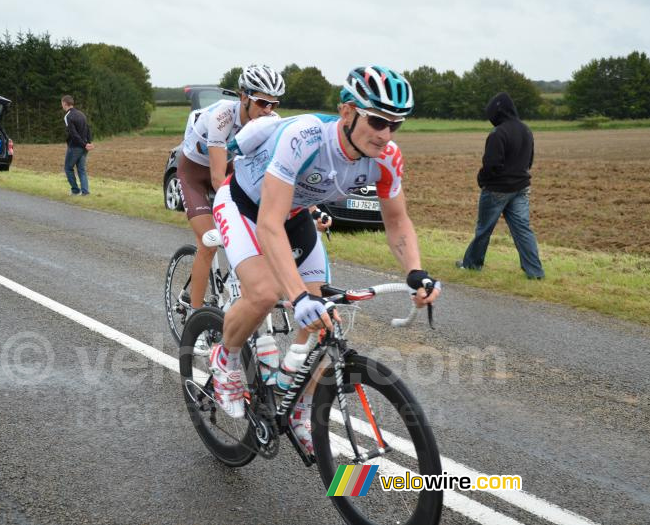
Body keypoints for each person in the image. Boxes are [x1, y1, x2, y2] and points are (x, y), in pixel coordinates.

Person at [208, 65, 441, 452]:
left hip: (296, 215)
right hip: (245, 206)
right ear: (347, 112)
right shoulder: (304, 138)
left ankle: (297, 406)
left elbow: (397, 221)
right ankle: (225, 357)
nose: (385, 135)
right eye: (378, 121)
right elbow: (268, 223)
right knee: (266, 293)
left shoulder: (386, 157)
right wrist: (297, 296)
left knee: (323, 320)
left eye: (395, 126)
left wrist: (416, 272)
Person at [177, 65, 285, 313]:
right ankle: (196, 317)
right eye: (261, 103)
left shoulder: (269, 123)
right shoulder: (222, 117)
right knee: (209, 242)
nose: (268, 111)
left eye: (274, 104)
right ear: (244, 96)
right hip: (194, 172)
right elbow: (217, 179)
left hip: (227, 167)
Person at [457, 92, 545, 279]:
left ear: (498, 112)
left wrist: (482, 179)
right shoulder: (526, 130)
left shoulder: (498, 133)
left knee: (484, 229)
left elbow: (491, 165)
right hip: (521, 188)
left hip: (497, 190)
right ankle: (535, 272)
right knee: (523, 229)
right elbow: (529, 161)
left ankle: (472, 264)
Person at [61, 95, 94, 196]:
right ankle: (85, 191)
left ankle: (75, 191)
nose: (61, 105)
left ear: (65, 103)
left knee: (68, 168)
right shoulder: (81, 114)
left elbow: (73, 134)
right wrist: (88, 143)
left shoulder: (68, 116)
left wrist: (84, 144)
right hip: (84, 147)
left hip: (75, 147)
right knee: (81, 169)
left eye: (62, 103)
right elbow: (88, 129)